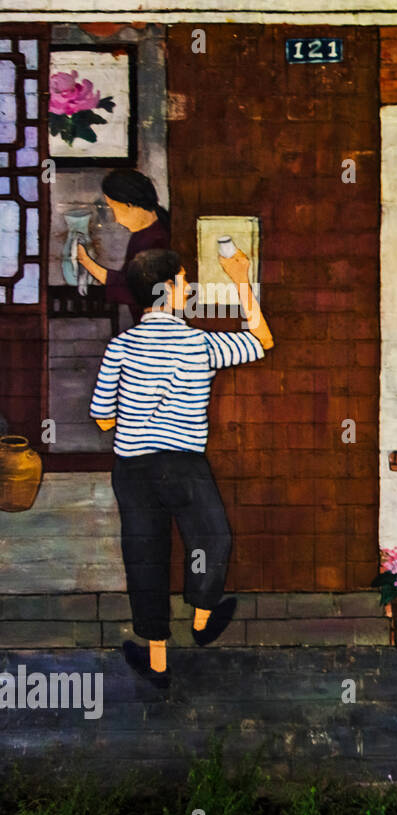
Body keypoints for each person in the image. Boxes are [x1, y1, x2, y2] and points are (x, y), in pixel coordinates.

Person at [90, 247, 273, 690]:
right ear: (168, 288)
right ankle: (203, 619)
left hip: (133, 468)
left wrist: (136, 421)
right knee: (211, 538)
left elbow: (101, 416)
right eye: (184, 280)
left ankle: (156, 661)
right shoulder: (199, 342)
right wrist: (241, 280)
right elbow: (263, 340)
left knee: (145, 557)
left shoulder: (120, 346)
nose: (187, 288)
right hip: (185, 464)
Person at [76, 169, 171, 325]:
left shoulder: (158, 238)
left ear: (130, 205)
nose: (116, 219)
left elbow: (134, 289)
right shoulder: (143, 234)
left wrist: (88, 263)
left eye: (114, 209)